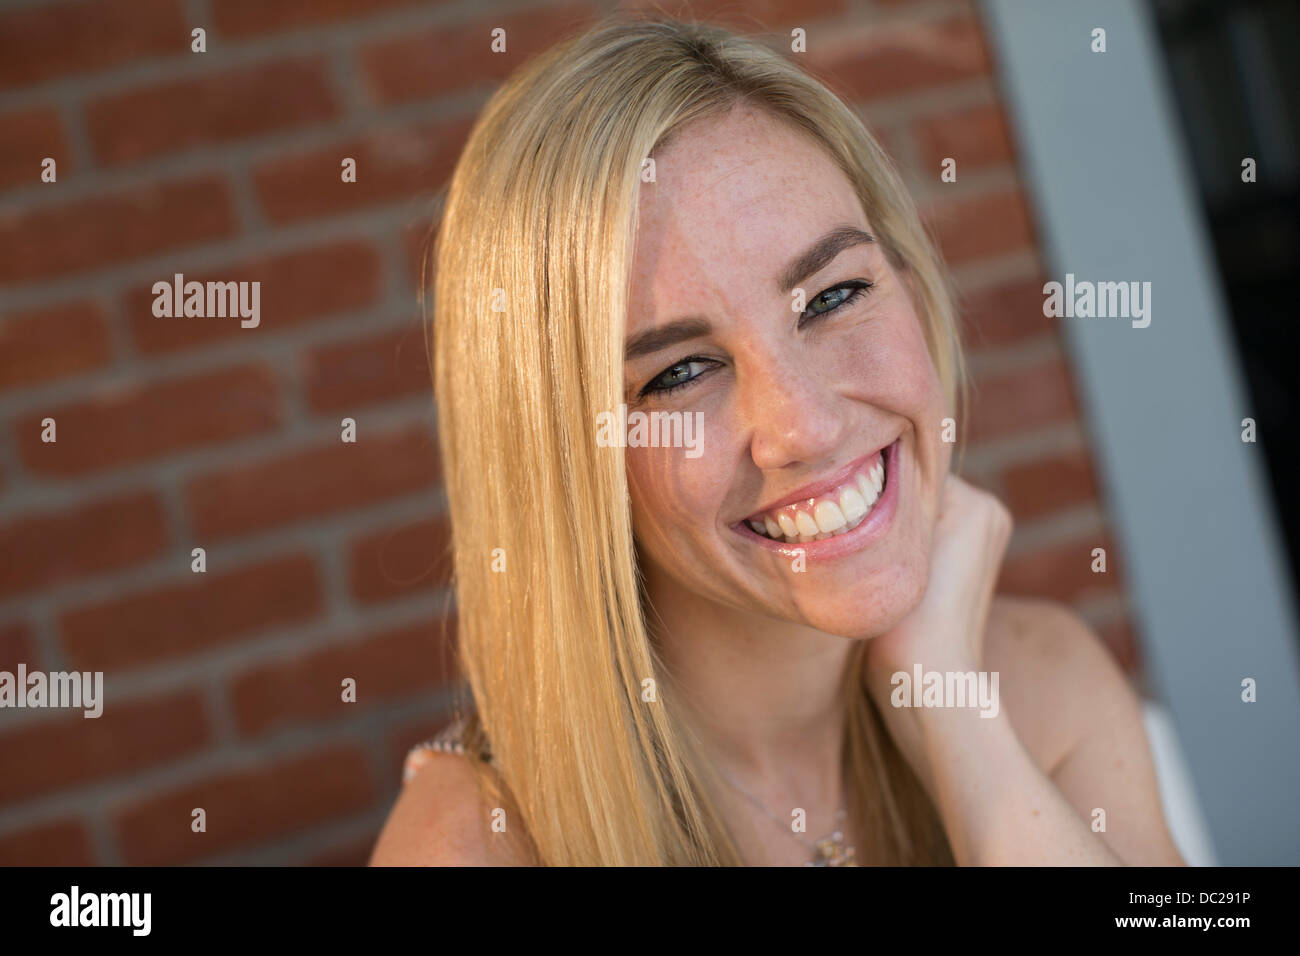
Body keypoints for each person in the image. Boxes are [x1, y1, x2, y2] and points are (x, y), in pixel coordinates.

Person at [370, 16, 1186, 866]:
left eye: (832, 298)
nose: (806, 425)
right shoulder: (471, 847)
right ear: (563, 460)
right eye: (681, 372)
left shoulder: (1038, 683)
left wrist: (955, 716)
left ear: (909, 283)